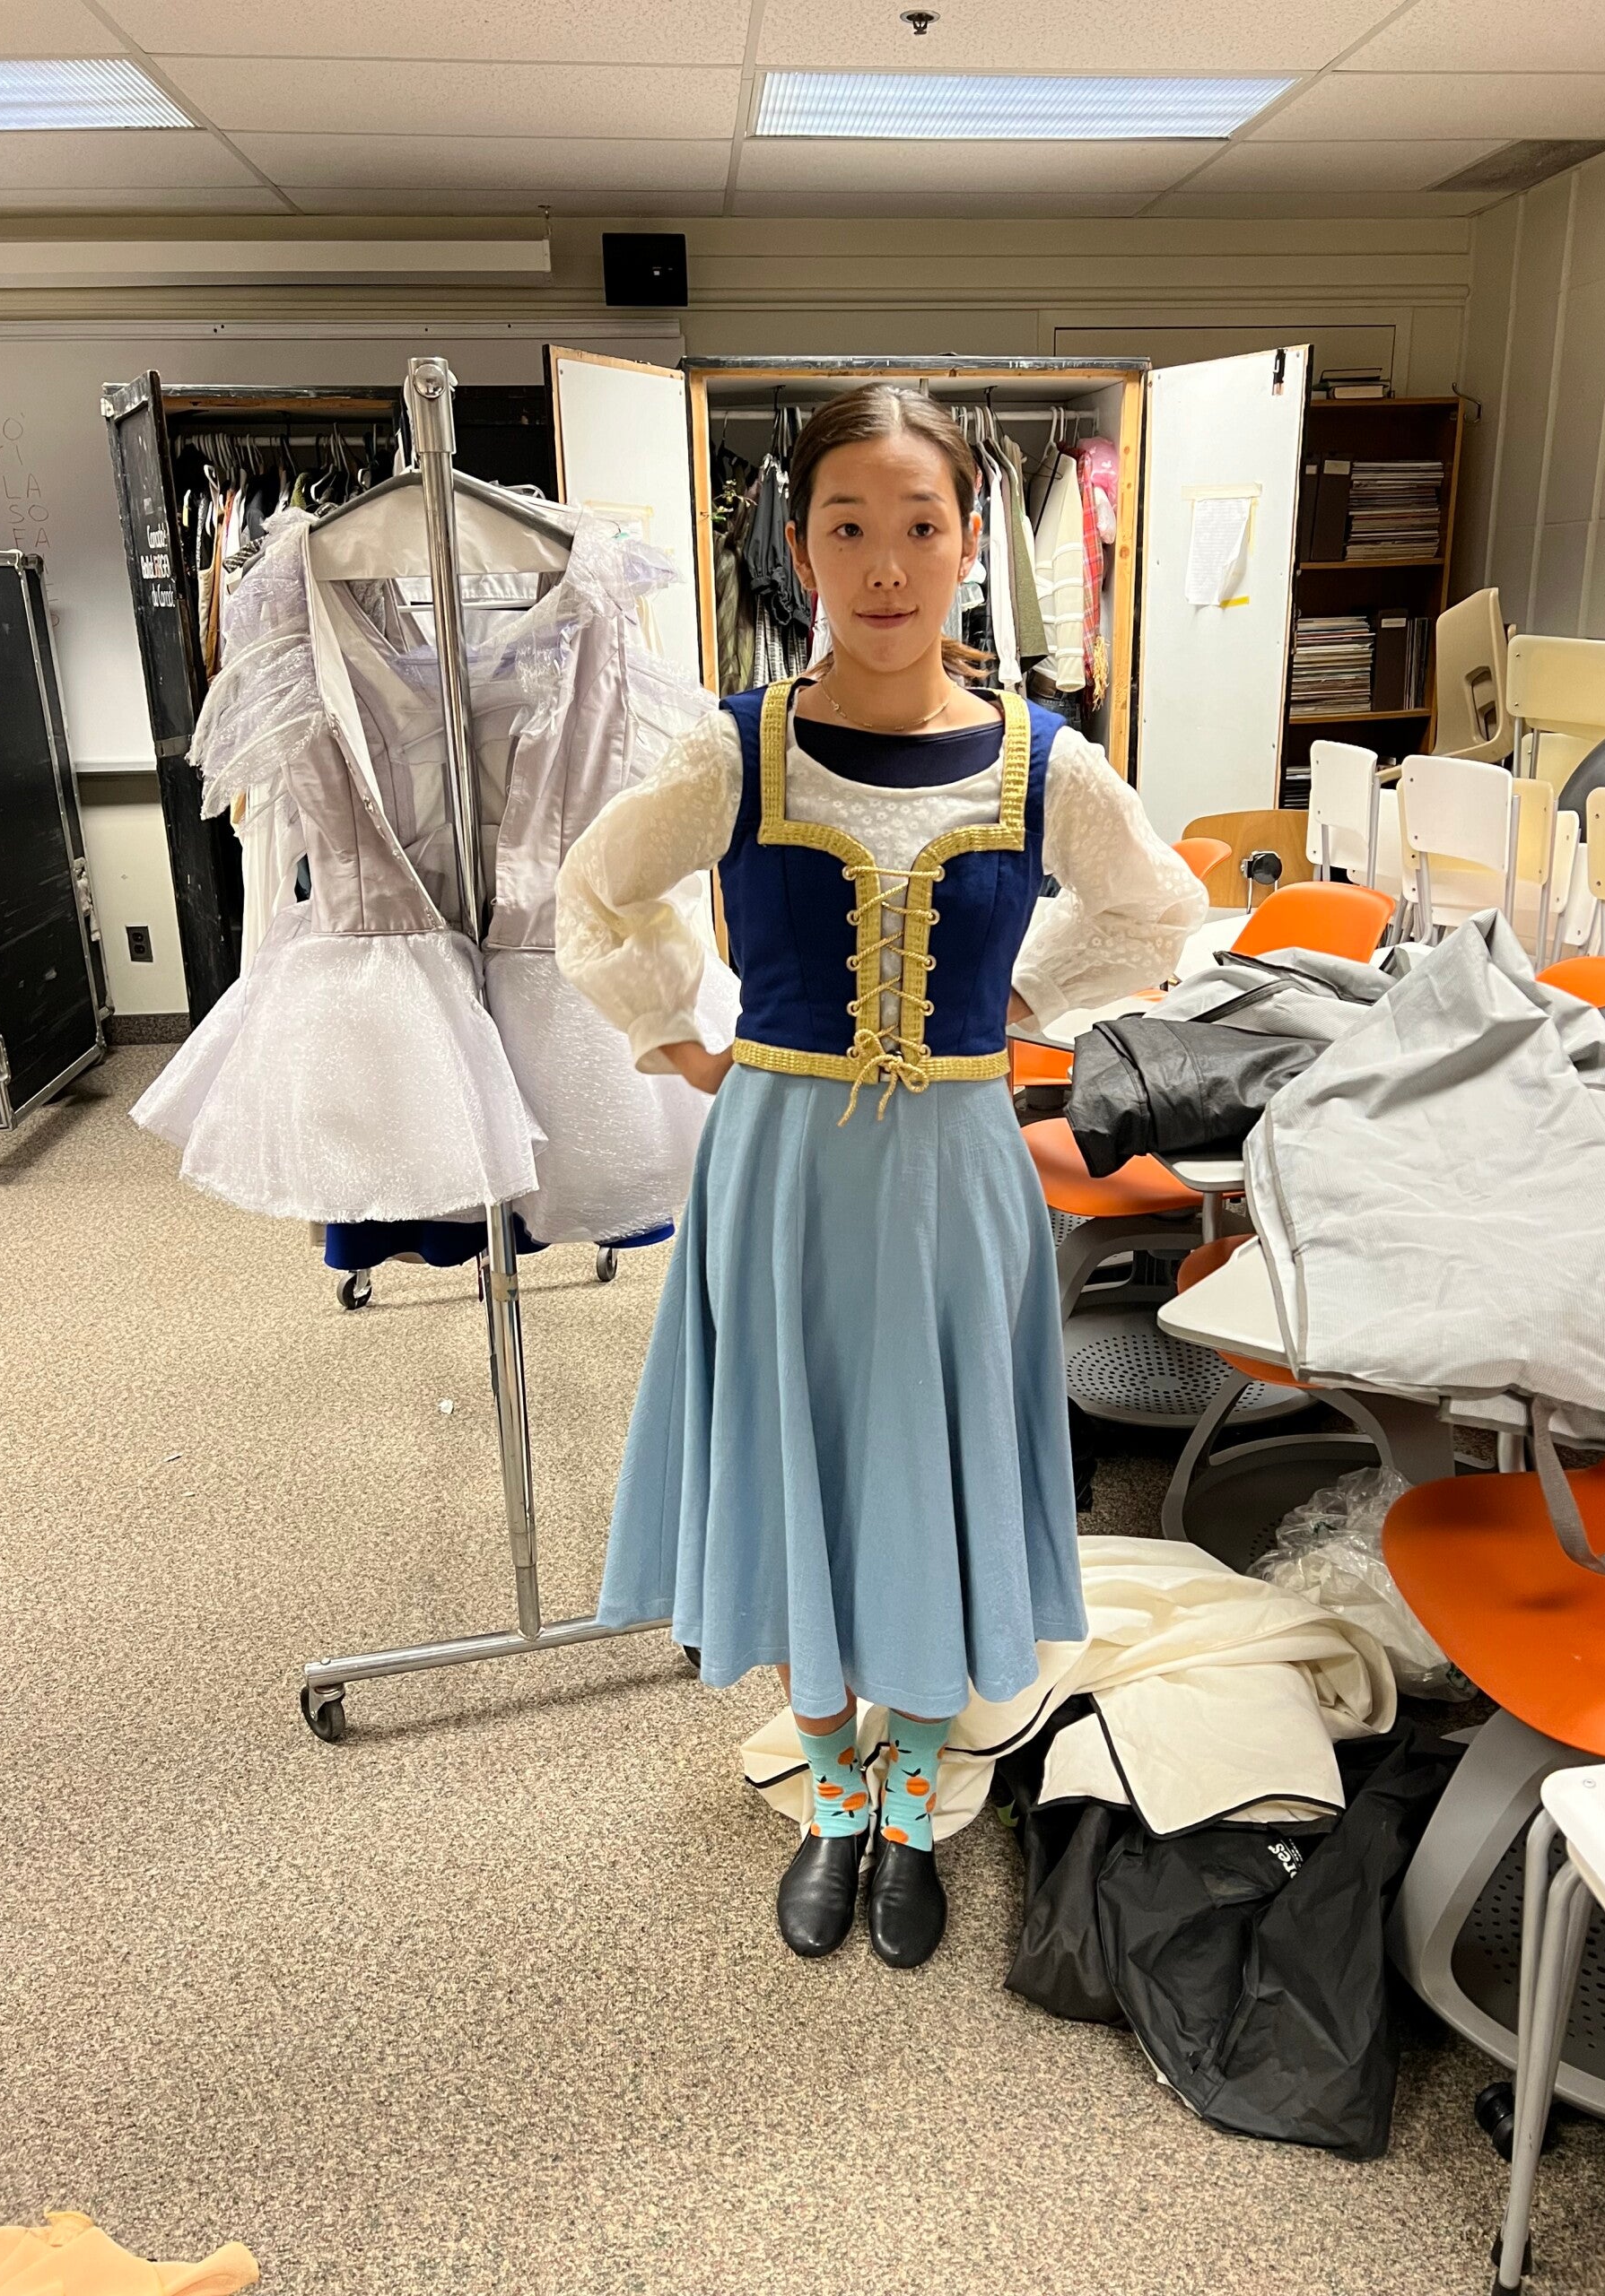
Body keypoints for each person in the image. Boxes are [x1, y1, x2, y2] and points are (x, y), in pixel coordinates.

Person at [555, 383, 1205, 1969]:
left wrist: (1015, 1002)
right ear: (800, 549)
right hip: (782, 1170)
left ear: (973, 542)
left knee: (932, 1466)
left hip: (959, 1172)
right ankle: (834, 1793)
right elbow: (599, 889)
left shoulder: (1047, 762)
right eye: (850, 527)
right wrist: (679, 1036)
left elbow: (1156, 910)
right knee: (804, 1458)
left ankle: (913, 1800)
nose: (889, 564)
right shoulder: (734, 751)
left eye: (922, 525)